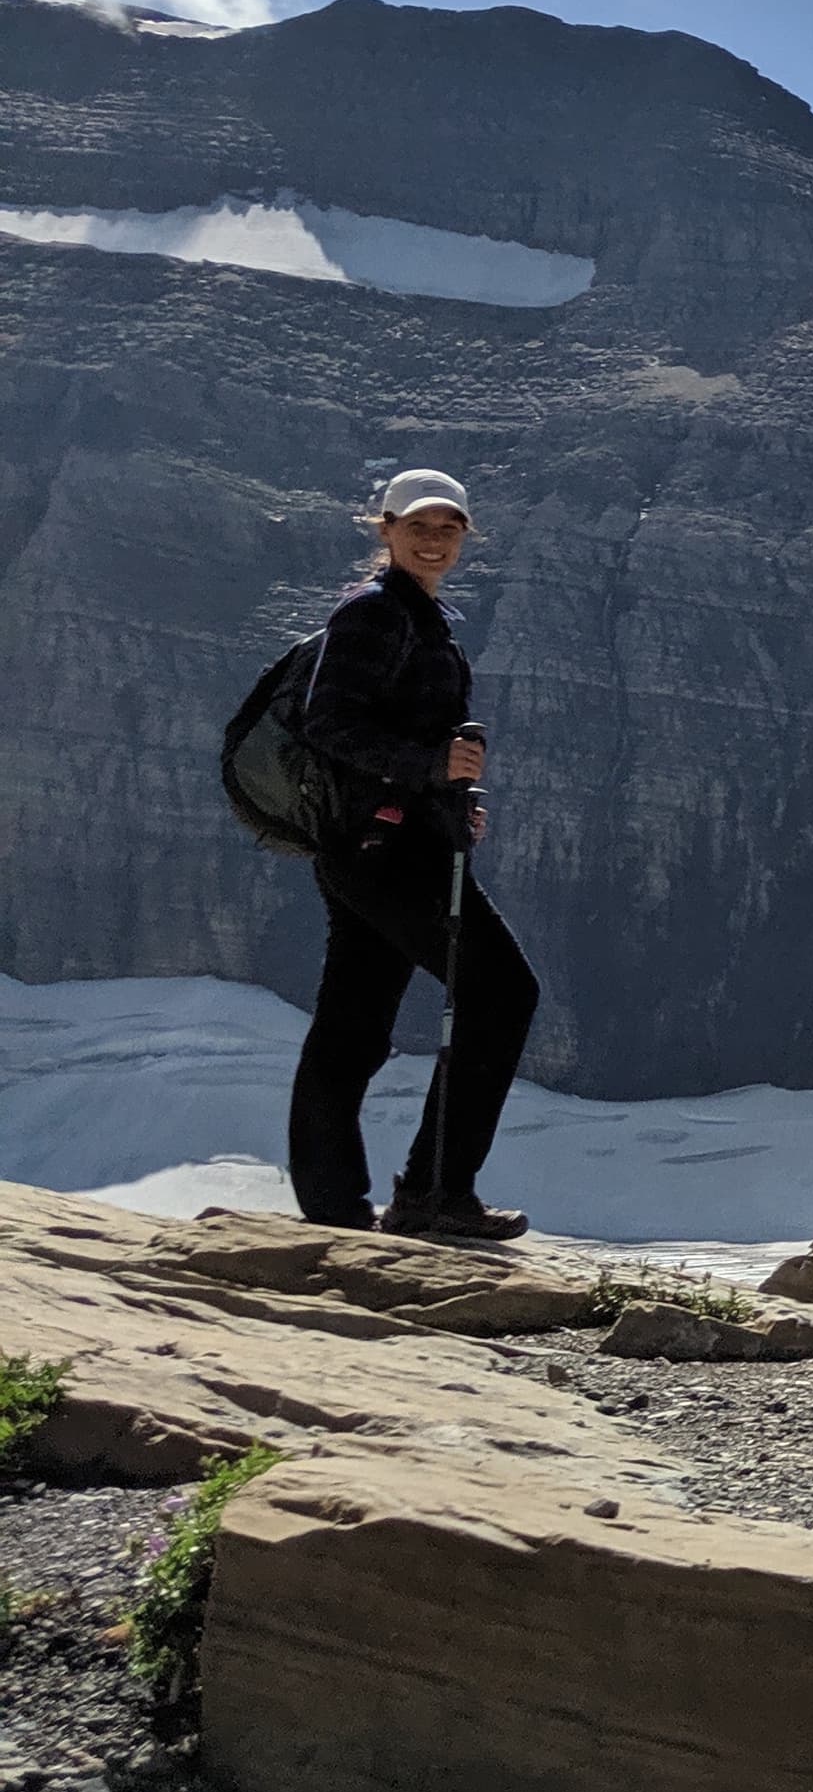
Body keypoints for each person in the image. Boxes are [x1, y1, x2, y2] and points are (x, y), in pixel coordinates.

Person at [287, 467, 542, 1240]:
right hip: (385, 850)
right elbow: (328, 724)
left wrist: (449, 799)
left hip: (377, 840)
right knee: (501, 994)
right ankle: (434, 1193)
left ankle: (334, 1205)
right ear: (386, 528)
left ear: (464, 538)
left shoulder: (418, 617)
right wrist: (434, 772)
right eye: (419, 526)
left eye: (449, 528)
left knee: (354, 1020)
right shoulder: (376, 617)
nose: (434, 540)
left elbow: (386, 735)